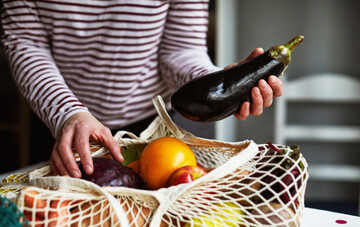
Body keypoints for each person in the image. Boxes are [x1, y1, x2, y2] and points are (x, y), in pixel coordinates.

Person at [1, 0, 283, 178]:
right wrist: (66, 112)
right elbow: (26, 43)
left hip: (150, 130)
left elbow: (180, 48)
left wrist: (218, 84)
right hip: (61, 125)